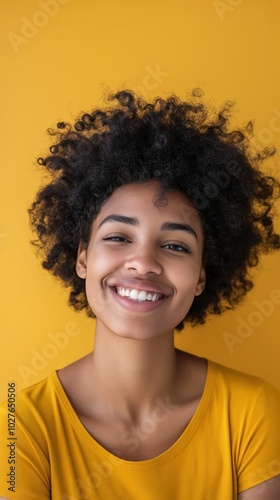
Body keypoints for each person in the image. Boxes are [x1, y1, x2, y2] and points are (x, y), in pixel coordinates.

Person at [0, 89, 280, 500]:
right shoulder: (17, 424)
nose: (143, 262)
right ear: (82, 258)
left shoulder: (254, 410)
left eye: (176, 246)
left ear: (201, 276)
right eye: (117, 236)